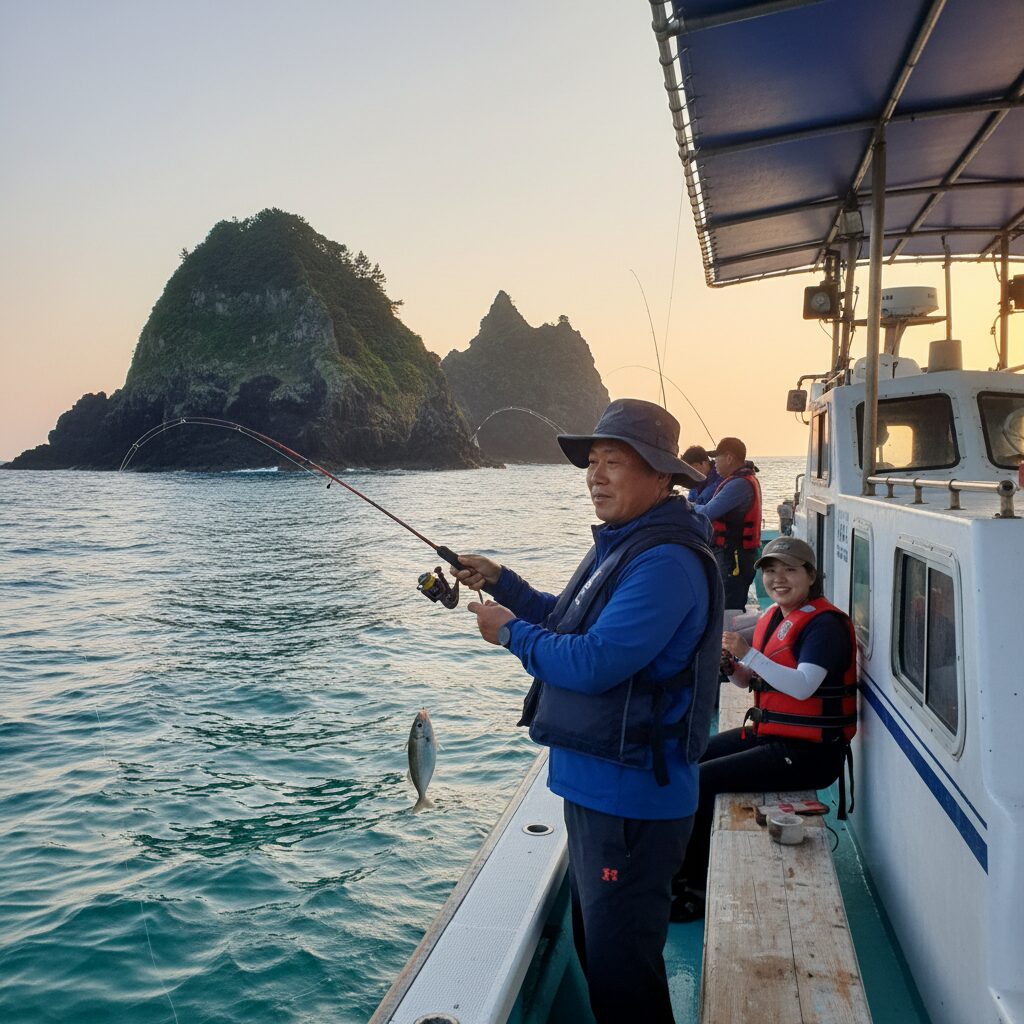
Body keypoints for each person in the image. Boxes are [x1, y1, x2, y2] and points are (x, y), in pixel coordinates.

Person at [454, 398, 724, 1024]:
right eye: (592, 461)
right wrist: (503, 583)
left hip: (631, 801)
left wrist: (508, 633)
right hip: (600, 786)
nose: (596, 475)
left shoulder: (665, 562)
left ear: (662, 477)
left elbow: (594, 661)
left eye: (615, 462)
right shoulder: (627, 543)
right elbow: (570, 620)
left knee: (623, 975)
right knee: (599, 954)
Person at [670, 536, 857, 922]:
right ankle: (674, 862)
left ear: (811, 575)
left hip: (809, 755)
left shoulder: (824, 626)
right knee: (690, 754)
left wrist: (748, 653)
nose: (778, 578)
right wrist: (733, 668)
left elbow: (804, 685)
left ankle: (695, 886)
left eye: (790, 569)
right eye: (771, 570)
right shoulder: (774, 617)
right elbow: (748, 682)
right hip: (770, 735)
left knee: (703, 781)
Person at [693, 436, 762, 610]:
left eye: (717, 457)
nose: (714, 463)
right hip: (734, 556)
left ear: (729, 458)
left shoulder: (738, 485)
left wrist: (684, 505)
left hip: (734, 559)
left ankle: (729, 636)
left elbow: (708, 513)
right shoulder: (742, 480)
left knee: (729, 607)